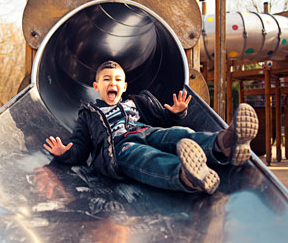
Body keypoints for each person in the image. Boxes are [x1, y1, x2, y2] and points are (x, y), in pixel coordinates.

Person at [43, 60, 258, 194]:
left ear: (124, 86)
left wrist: (176, 113)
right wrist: (66, 152)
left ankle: (226, 144)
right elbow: (81, 144)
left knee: (180, 134)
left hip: (146, 130)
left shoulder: (136, 102)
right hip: (119, 147)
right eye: (106, 79)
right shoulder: (89, 114)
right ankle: (188, 175)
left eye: (118, 79)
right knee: (147, 157)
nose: (113, 83)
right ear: (96, 87)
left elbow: (162, 119)